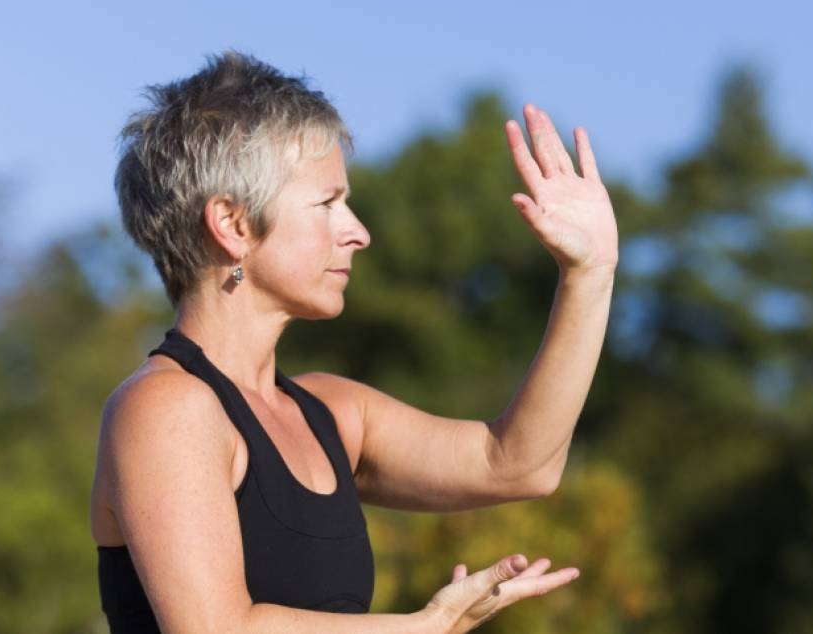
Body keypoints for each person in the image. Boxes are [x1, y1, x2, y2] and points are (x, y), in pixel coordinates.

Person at [89, 51, 618, 633]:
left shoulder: (334, 414)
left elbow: (518, 465)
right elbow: (216, 628)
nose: (358, 232)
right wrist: (424, 626)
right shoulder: (164, 409)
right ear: (233, 225)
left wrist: (590, 273)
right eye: (327, 203)